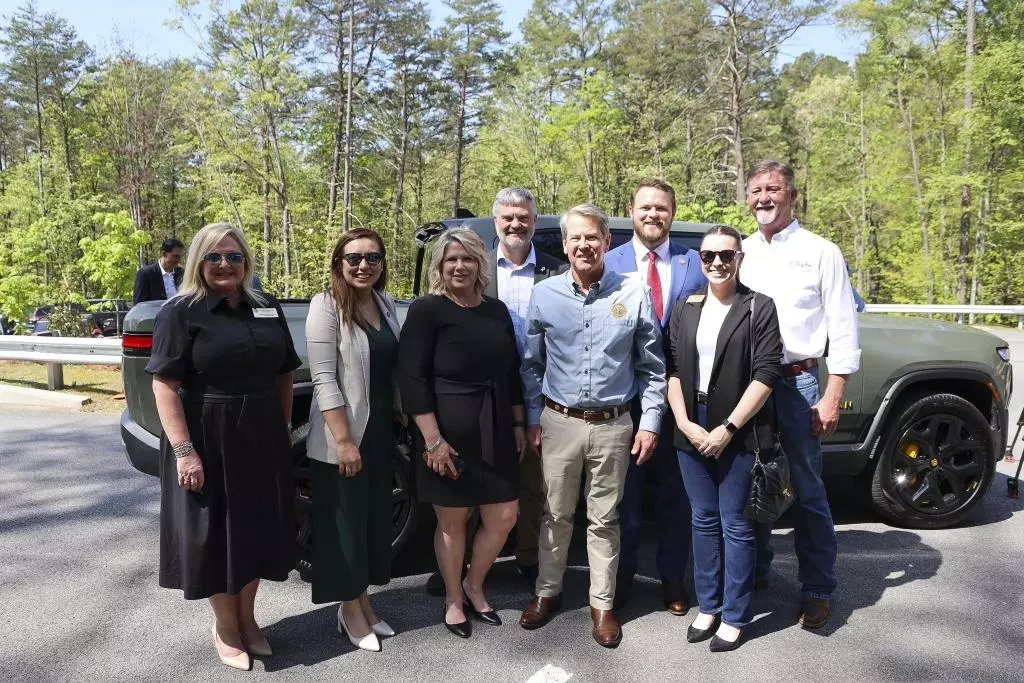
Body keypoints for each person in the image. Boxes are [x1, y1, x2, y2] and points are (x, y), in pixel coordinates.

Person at [147, 223, 301, 671]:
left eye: (233, 256)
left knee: (255, 530)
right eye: (213, 257)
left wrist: (282, 424)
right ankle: (226, 626)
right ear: (198, 261)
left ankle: (250, 619)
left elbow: (285, 373)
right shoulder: (182, 312)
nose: (224, 265)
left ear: (246, 262)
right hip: (207, 437)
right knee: (215, 536)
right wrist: (184, 451)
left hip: (261, 437)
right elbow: (164, 385)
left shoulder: (266, 307)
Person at [519, 204, 666, 648]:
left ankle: (602, 605)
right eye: (575, 238)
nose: (584, 245)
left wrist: (651, 423)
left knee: (604, 519)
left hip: (614, 425)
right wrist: (531, 418)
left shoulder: (633, 293)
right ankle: (547, 592)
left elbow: (653, 368)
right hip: (559, 422)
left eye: (592, 237)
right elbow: (530, 365)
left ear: (607, 242)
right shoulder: (544, 295)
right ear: (564, 245)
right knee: (556, 514)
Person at [740, 160, 861, 629]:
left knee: (807, 491)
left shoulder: (821, 252)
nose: (763, 198)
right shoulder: (742, 251)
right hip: (748, 387)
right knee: (750, 485)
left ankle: (817, 588)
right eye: (756, 190)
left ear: (791, 196)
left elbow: (844, 329)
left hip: (797, 383)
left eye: (773, 189)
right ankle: (754, 573)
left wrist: (832, 395)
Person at [398, 228, 526, 639]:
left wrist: (519, 423)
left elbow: (511, 373)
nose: (459, 266)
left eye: (468, 259)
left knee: (504, 515)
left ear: (479, 265)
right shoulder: (427, 310)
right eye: (451, 259)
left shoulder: (496, 310)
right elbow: (412, 378)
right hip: (445, 434)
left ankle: (475, 583)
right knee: (452, 521)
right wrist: (432, 440)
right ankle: (454, 596)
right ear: (439, 266)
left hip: (497, 429)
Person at [667, 225, 783, 652]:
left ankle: (735, 614)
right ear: (700, 259)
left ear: (739, 259)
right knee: (702, 519)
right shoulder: (686, 307)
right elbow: (674, 369)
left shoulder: (758, 307)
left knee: (736, 524)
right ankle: (708, 606)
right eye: (708, 255)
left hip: (741, 427)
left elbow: (767, 374)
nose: (717, 262)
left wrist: (728, 429)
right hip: (692, 423)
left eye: (726, 255)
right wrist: (683, 422)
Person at [604, 178, 707, 615]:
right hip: (623, 401)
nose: (653, 215)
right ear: (631, 211)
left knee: (676, 498)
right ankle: (622, 579)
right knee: (623, 501)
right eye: (645, 207)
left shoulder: (696, 263)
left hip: (683, 402)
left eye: (661, 208)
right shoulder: (608, 262)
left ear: (672, 213)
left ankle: (671, 580)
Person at [305, 229, 401, 653]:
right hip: (343, 437)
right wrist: (343, 440)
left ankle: (363, 600)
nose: (364, 265)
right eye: (354, 258)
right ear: (339, 263)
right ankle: (348, 610)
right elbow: (323, 377)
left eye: (373, 257)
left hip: (380, 433)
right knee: (343, 527)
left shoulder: (385, 303)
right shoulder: (326, 305)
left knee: (369, 523)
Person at [483, 187, 565, 587]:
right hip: (485, 392)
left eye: (524, 217)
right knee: (475, 478)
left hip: (543, 391)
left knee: (537, 483)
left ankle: (528, 558)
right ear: (496, 221)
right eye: (508, 217)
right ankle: (465, 563)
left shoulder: (558, 270)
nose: (516, 224)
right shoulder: (474, 267)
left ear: (535, 221)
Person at [134, 238, 185, 304]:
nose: (179, 260)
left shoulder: (181, 273)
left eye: (180, 256)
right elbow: (139, 304)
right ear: (164, 254)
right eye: (176, 256)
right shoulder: (146, 274)